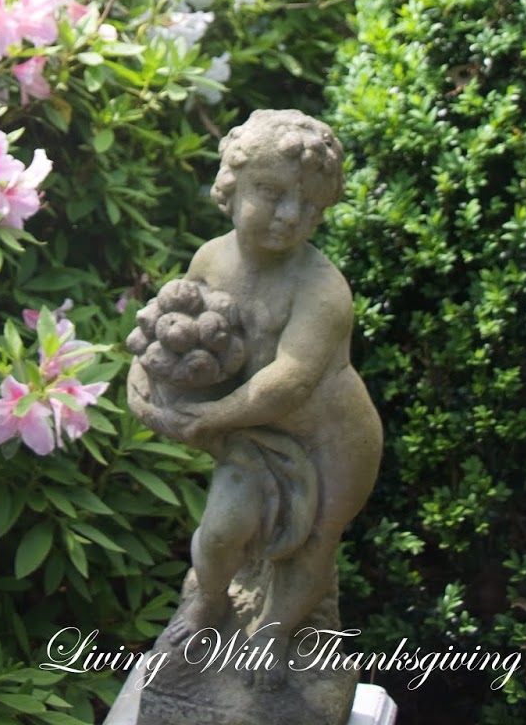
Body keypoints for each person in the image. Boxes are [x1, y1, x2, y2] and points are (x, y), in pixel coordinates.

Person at [127, 110, 382, 669]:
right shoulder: (211, 259)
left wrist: (209, 418)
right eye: (272, 193)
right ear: (232, 184)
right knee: (221, 533)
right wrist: (144, 373)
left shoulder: (322, 289)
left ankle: (274, 632)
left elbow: (287, 382)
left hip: (334, 443)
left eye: (310, 206)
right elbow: (174, 329)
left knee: (313, 545)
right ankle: (208, 601)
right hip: (252, 431)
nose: (290, 215)